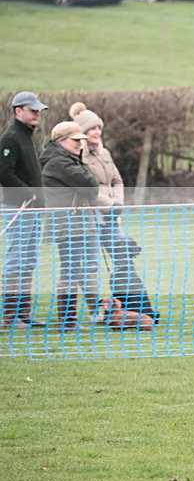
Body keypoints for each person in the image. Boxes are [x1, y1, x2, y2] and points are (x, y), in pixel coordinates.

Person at [40, 121, 99, 332]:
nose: (79, 144)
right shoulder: (59, 163)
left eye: (80, 140)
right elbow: (91, 186)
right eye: (75, 140)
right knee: (70, 272)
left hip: (74, 223)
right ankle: (67, 321)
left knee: (72, 270)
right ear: (61, 141)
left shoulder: (66, 159)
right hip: (69, 224)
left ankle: (69, 320)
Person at [70, 102, 125, 322]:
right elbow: (86, 189)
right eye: (91, 128)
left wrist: (118, 204)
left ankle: (124, 306)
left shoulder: (106, 153)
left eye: (98, 128)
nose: (96, 132)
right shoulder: (77, 157)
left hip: (113, 217)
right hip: (92, 217)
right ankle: (95, 311)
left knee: (123, 259)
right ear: (81, 133)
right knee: (90, 265)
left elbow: (117, 180)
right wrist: (108, 205)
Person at [1, 92, 48, 330]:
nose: (37, 114)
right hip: (17, 207)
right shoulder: (10, 138)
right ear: (18, 111)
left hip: (33, 208)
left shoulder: (28, 136)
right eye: (32, 110)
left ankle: (23, 313)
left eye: (38, 110)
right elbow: (4, 173)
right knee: (17, 260)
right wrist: (26, 192)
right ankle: (10, 316)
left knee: (28, 260)